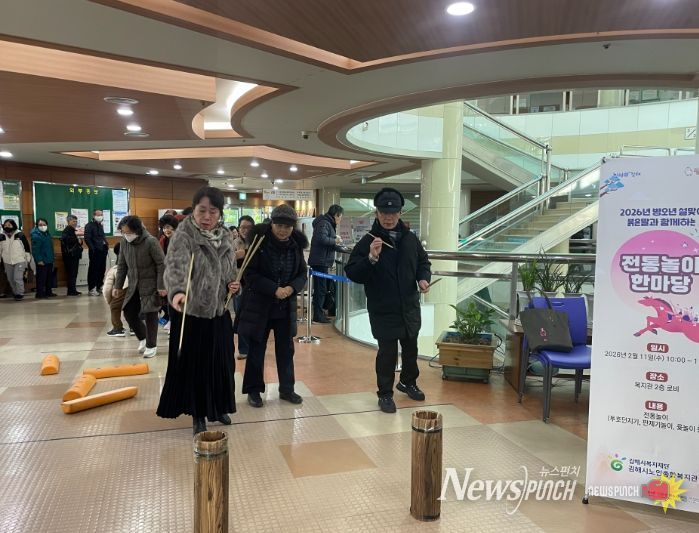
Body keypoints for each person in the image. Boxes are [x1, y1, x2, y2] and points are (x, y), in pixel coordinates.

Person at [157, 186, 240, 435]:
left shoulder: (225, 236)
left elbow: (230, 271)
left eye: (213, 211)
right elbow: (174, 268)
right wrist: (177, 292)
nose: (207, 216)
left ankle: (219, 406)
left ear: (220, 213)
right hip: (191, 313)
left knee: (222, 362)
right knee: (197, 365)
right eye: (202, 210)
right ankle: (198, 414)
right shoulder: (184, 235)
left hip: (219, 311)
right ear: (194, 210)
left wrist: (233, 284)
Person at [345, 188, 432, 414]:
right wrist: (371, 258)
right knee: (387, 353)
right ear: (377, 213)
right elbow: (352, 272)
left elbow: (423, 263)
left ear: (400, 213)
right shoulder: (369, 241)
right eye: (384, 212)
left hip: (409, 305)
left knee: (411, 348)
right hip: (383, 306)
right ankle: (385, 393)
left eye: (393, 213)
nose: (388, 217)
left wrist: (423, 279)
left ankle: (408, 382)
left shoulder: (410, 239)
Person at [236, 204, 308, 408]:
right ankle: (253, 390)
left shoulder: (295, 245)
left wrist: (291, 288)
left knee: (286, 349)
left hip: (285, 307)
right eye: (279, 225)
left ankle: (287, 389)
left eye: (287, 226)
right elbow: (250, 274)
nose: (283, 230)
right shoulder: (259, 242)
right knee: (256, 349)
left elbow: (302, 273)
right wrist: (274, 289)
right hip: (260, 306)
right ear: (272, 224)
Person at [113, 216, 165, 358]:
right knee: (129, 312)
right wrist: (117, 286)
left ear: (137, 230)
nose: (126, 235)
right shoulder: (124, 242)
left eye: (128, 232)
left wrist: (161, 285)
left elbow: (161, 264)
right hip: (133, 284)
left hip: (150, 284)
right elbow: (122, 265)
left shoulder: (151, 242)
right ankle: (143, 338)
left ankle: (151, 346)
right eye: (123, 232)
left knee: (150, 314)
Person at [308, 204, 345, 323]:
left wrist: (341, 247)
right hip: (320, 261)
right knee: (321, 289)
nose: (340, 220)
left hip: (321, 260)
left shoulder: (326, 223)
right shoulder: (324, 223)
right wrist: (335, 240)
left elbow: (327, 243)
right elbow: (322, 239)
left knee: (321, 288)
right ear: (336, 215)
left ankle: (319, 313)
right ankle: (318, 315)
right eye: (340, 217)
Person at [232, 215, 254, 360]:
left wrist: (244, 254)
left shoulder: (258, 242)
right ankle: (244, 349)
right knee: (241, 316)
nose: (245, 230)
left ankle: (255, 347)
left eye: (248, 227)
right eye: (242, 227)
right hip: (238, 284)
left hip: (254, 285)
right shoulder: (234, 243)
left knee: (253, 317)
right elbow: (228, 261)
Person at [0, 219, 31, 301]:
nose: (7, 226)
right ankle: (15, 292)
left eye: (9, 225)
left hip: (20, 260)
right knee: (10, 279)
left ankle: (20, 293)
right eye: (5, 225)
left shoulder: (20, 235)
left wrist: (28, 259)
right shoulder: (1, 236)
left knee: (17, 278)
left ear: (13, 225)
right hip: (7, 261)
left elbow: (26, 248)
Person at [158, 214, 179, 330]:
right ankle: (171, 321)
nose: (166, 230)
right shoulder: (163, 240)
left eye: (168, 227)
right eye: (164, 228)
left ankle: (175, 323)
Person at [103, 242, 128, 337]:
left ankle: (117, 328)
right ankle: (134, 328)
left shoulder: (115, 269)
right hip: (135, 287)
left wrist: (109, 300)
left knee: (115, 308)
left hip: (122, 289)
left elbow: (107, 287)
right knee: (131, 308)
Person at [84, 209, 109, 296]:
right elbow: (87, 238)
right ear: (94, 216)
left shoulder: (100, 225)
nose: (100, 216)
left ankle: (99, 286)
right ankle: (92, 288)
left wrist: (106, 245)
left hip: (102, 250)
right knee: (94, 269)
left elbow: (102, 237)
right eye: (98, 215)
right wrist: (93, 249)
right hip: (95, 251)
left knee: (102, 269)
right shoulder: (89, 225)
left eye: (101, 215)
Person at [30, 218, 56, 299]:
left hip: (49, 259)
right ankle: (40, 294)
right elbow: (35, 249)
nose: (43, 226)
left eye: (44, 224)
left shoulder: (47, 234)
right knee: (41, 278)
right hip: (42, 260)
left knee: (49, 277)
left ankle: (48, 292)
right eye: (40, 225)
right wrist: (39, 260)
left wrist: (52, 258)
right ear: (37, 226)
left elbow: (50, 247)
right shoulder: (36, 235)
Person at [60, 215, 83, 296]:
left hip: (74, 255)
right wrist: (77, 240)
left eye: (76, 221)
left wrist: (79, 241)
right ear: (68, 221)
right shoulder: (67, 231)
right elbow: (67, 241)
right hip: (70, 256)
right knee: (71, 273)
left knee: (73, 273)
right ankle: (71, 291)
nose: (75, 223)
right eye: (73, 221)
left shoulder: (72, 230)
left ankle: (73, 290)